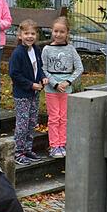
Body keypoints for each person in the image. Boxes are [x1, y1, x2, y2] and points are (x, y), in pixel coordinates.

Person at [41, 16, 84, 158]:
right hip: (52, 90)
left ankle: (62, 143)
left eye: (61, 32)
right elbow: (44, 69)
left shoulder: (71, 50)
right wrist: (55, 83)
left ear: (67, 33)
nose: (58, 34)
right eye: (55, 31)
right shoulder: (47, 49)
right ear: (52, 32)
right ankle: (54, 145)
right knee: (54, 117)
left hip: (66, 89)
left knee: (64, 117)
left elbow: (79, 68)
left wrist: (67, 82)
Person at [8, 20, 48, 165]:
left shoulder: (36, 49)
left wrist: (42, 77)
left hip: (35, 93)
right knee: (22, 123)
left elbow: (39, 67)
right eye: (26, 33)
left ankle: (28, 148)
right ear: (20, 35)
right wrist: (31, 85)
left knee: (32, 122)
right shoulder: (18, 53)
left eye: (32, 33)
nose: (30, 36)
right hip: (23, 94)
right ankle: (18, 152)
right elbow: (14, 74)